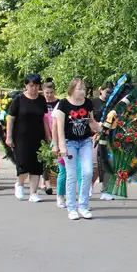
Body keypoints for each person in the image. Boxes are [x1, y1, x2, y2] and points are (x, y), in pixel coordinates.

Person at [52, 78, 103, 220]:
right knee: (72, 174)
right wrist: (60, 146)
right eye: (80, 88)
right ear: (72, 89)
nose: (83, 91)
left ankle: (83, 206)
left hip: (85, 141)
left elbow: (91, 121)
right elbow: (59, 126)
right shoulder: (63, 104)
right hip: (69, 143)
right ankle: (71, 208)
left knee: (87, 172)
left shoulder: (87, 103)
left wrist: (102, 129)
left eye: (84, 88)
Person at [6, 74, 51, 202]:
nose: (34, 88)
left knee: (37, 165)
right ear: (26, 85)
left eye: (36, 85)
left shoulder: (41, 100)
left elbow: (45, 119)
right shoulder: (19, 99)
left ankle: (33, 193)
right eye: (31, 85)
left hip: (38, 136)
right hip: (21, 137)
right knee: (24, 163)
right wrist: (9, 136)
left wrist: (48, 135)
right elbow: (10, 118)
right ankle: (19, 184)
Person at [92, 81, 114, 201]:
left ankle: (106, 190)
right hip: (94, 136)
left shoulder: (113, 105)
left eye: (111, 93)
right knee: (94, 164)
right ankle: (89, 185)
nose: (109, 95)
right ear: (101, 90)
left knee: (108, 162)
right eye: (107, 92)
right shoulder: (93, 102)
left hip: (109, 137)